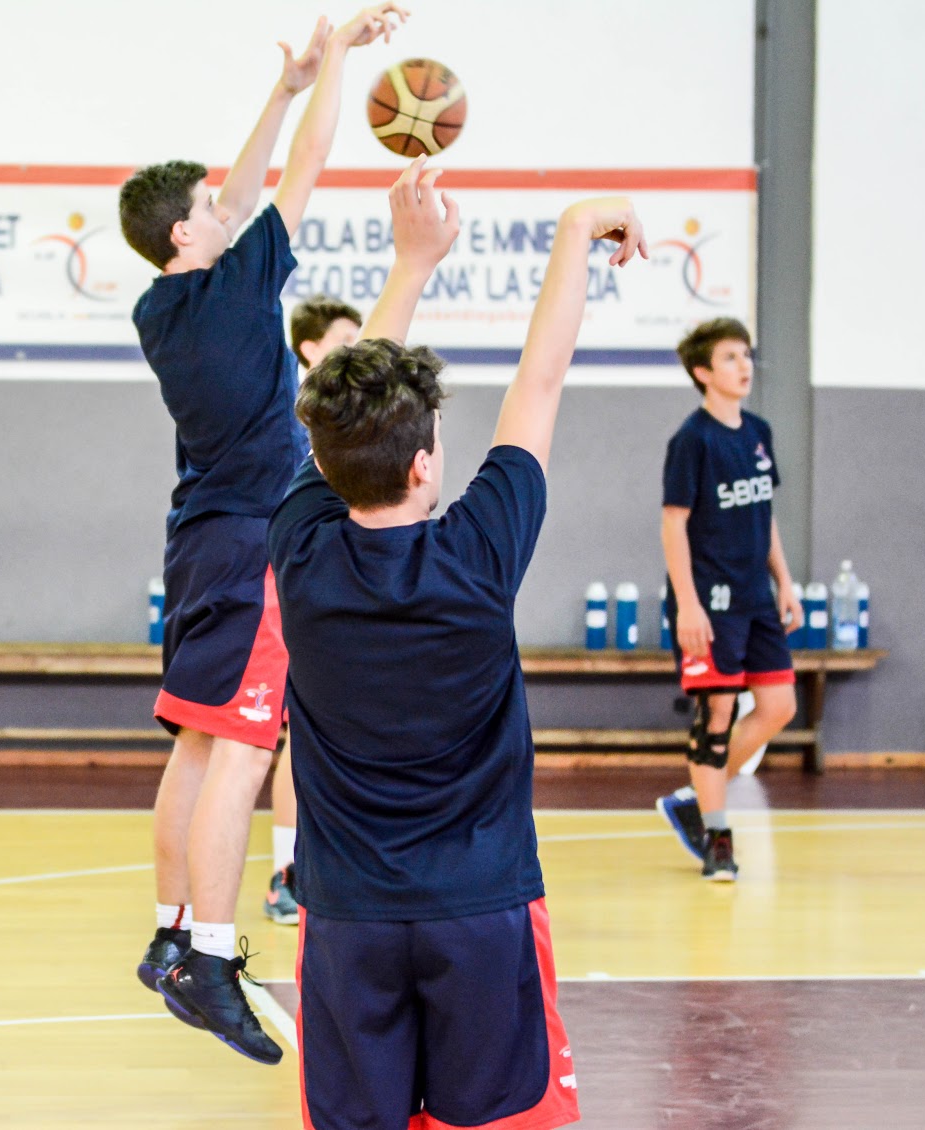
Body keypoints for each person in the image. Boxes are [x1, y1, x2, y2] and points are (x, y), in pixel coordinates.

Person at [269, 156, 646, 1129]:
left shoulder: (301, 550)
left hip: (347, 916)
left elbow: (330, 424)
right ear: (430, 461)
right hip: (481, 908)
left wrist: (410, 266)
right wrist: (574, 230)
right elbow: (542, 378)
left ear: (320, 458)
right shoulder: (481, 548)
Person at [119, 3, 409, 1065]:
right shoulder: (240, 287)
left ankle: (164, 933)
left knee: (198, 746)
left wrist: (280, 87)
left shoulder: (163, 302)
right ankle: (206, 951)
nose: (228, 207)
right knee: (241, 748)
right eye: (210, 206)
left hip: (198, 537)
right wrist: (332, 62)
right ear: (191, 232)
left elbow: (234, 190)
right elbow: (306, 166)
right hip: (250, 545)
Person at [656, 318, 801, 880]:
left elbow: (763, 516)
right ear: (703, 373)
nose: (744, 366)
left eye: (746, 355)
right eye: (730, 358)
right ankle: (717, 836)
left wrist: (784, 580)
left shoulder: (758, 431)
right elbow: (673, 527)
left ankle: (696, 798)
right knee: (716, 711)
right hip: (709, 600)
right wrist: (687, 604)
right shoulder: (692, 440)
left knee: (779, 707)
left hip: (755, 597)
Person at [263, 295, 363, 927]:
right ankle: (286, 871)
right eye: (347, 340)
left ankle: (322, 863)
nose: (358, 350)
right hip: (293, 583)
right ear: (310, 349)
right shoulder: (293, 417)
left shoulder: (350, 420)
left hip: (341, 580)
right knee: (295, 732)